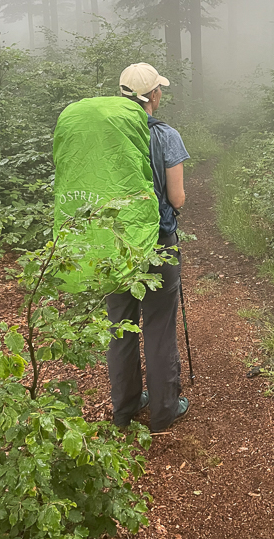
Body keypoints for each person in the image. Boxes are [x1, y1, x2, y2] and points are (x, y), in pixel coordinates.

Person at [105, 63, 191, 431]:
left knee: (120, 326)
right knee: (158, 326)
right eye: (159, 90)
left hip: (114, 243)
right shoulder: (166, 136)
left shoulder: (107, 135)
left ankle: (124, 411)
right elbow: (177, 198)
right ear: (153, 96)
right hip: (157, 244)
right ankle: (163, 412)